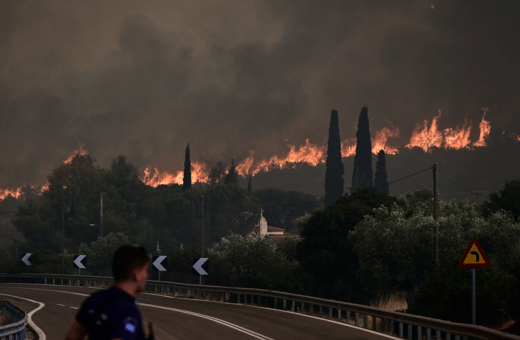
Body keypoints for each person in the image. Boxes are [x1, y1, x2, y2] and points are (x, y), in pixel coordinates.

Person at [65, 245, 154, 340]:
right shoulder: (128, 310)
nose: (146, 275)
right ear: (136, 273)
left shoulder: (96, 298)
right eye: (145, 270)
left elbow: (71, 336)